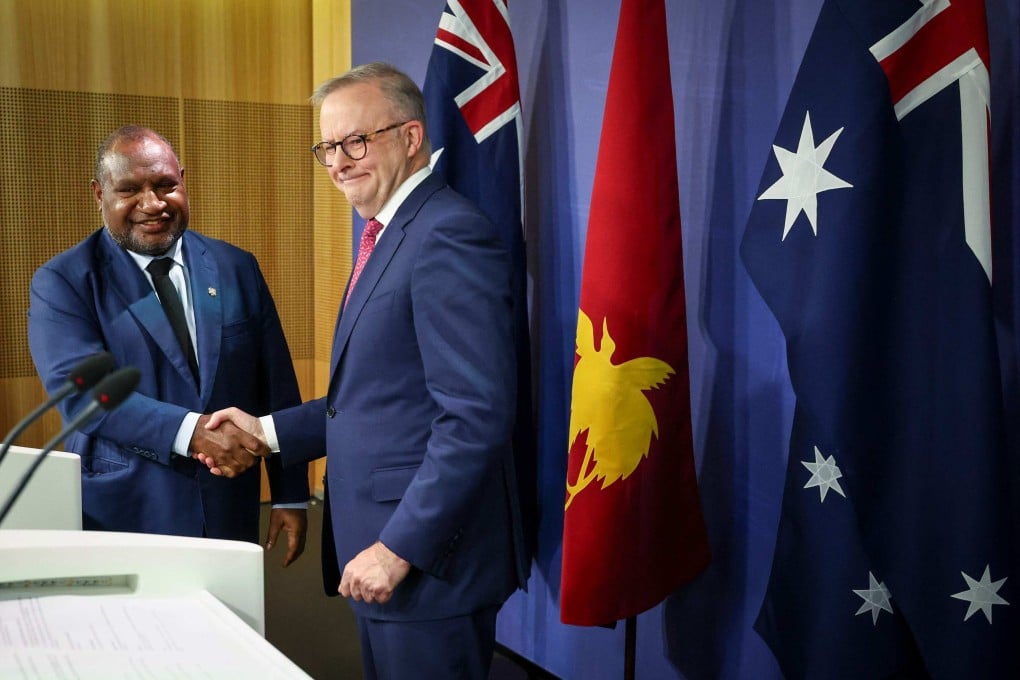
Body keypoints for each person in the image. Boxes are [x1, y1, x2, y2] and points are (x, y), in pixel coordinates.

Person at [200, 62, 529, 679]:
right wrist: (265, 432)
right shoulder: (388, 232)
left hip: (425, 561)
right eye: (327, 147)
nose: (339, 162)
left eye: (357, 141)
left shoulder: (447, 234)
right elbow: (380, 398)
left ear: (409, 137)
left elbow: (475, 416)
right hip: (382, 559)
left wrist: (400, 546)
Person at [27, 125, 309, 564]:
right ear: (99, 195)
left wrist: (290, 494)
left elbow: (275, 382)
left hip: (228, 512)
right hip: (125, 517)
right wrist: (194, 432)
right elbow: (83, 393)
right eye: (129, 190)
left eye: (165, 185)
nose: (153, 204)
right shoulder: (65, 281)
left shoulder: (236, 266)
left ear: (183, 179)